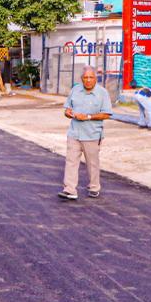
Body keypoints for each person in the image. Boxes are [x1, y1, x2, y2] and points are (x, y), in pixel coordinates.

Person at [58, 66, 113, 201]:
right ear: (81, 79)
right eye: (85, 78)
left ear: (96, 78)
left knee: (92, 163)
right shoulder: (75, 90)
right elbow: (67, 109)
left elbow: (106, 114)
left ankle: (94, 187)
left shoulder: (102, 93)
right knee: (71, 161)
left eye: (91, 77)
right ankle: (69, 190)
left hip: (92, 135)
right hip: (74, 133)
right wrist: (68, 113)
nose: (88, 80)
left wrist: (88, 117)